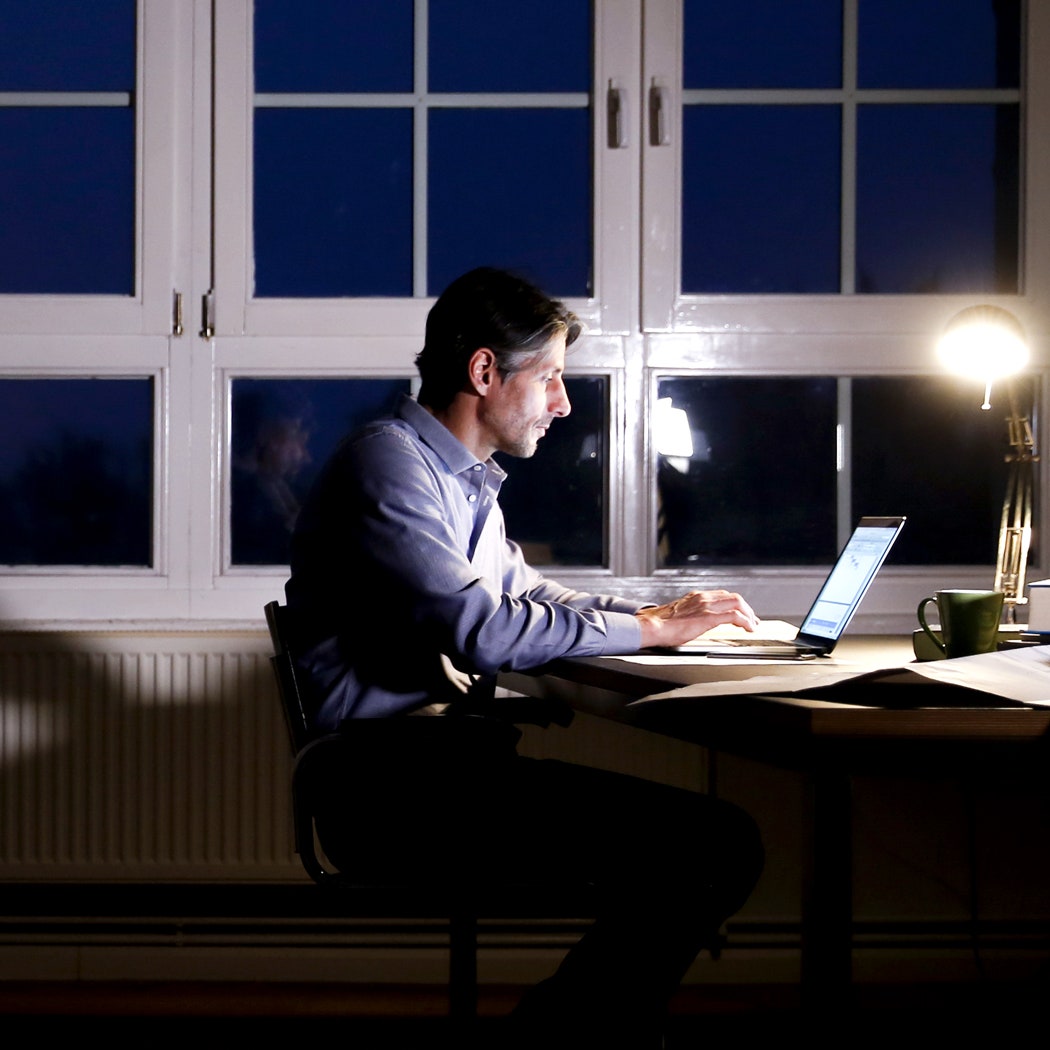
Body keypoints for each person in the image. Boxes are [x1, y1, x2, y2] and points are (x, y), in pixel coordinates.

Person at [285, 267, 764, 1047]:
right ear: (484, 372)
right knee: (715, 846)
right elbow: (485, 629)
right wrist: (651, 633)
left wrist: (662, 615)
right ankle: (552, 1043)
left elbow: (532, 596)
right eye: (550, 377)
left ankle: (562, 1036)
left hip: (435, 768)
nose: (563, 402)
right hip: (388, 791)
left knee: (705, 846)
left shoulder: (459, 481)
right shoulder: (391, 465)